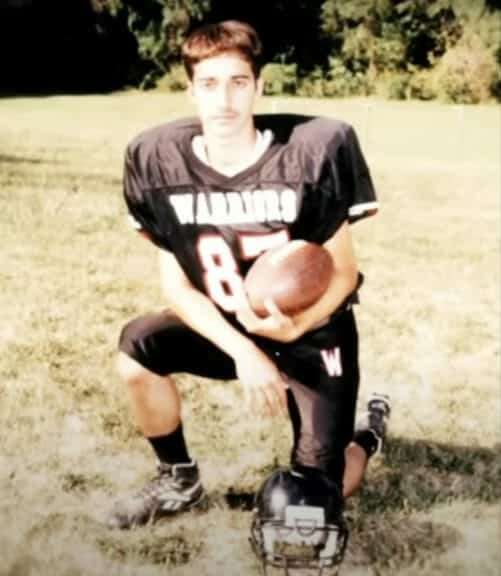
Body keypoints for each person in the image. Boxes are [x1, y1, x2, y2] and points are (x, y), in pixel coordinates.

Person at [108, 20, 390, 530]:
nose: (224, 100)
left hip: (312, 329)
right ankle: (178, 478)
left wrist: (293, 330)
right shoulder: (156, 160)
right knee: (138, 347)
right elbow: (177, 287)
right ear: (189, 89)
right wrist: (246, 353)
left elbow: (344, 275)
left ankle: (365, 438)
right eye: (210, 85)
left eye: (239, 83)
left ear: (259, 86)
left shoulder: (315, 149)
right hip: (228, 328)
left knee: (316, 500)